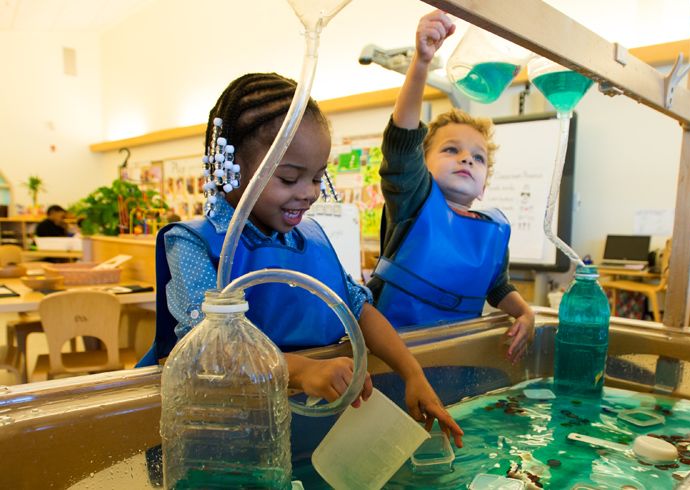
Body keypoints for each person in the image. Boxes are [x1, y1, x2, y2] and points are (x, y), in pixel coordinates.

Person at [138, 72, 462, 445]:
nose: (308, 193)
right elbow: (211, 351)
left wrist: (412, 373)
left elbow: (357, 307)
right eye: (290, 179)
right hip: (219, 436)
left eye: (317, 178)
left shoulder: (313, 239)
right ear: (231, 167)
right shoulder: (195, 244)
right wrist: (301, 371)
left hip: (295, 431)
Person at [368, 10, 534, 363]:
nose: (466, 159)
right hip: (390, 358)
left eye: (478, 158)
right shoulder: (414, 200)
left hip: (455, 357)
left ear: (484, 184)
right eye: (450, 149)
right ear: (421, 165)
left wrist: (525, 313)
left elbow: (497, 287)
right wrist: (421, 63)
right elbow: (401, 141)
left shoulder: (491, 231)